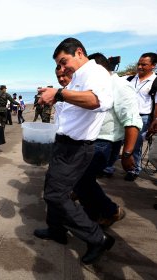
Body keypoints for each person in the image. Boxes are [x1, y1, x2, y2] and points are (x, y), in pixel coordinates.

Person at [34, 38, 114, 265]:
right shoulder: (78, 77)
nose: (62, 68)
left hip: (77, 148)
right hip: (63, 144)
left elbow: (98, 101)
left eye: (64, 61)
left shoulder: (95, 72)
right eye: (59, 65)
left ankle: (97, 238)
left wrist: (59, 93)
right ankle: (56, 229)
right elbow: (71, 109)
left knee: (56, 195)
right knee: (51, 187)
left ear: (79, 52)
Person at [73, 52, 142, 227]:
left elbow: (132, 121)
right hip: (89, 141)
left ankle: (111, 212)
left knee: (83, 181)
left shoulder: (119, 86)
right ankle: (95, 216)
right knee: (82, 181)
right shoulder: (96, 85)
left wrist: (127, 154)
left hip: (105, 143)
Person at [124, 52, 157, 181]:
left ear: (153, 66)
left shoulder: (155, 81)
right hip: (126, 115)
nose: (140, 67)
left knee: (135, 145)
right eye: (139, 63)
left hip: (142, 118)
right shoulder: (130, 79)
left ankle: (134, 170)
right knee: (119, 142)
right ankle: (108, 167)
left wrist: (154, 121)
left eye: (144, 64)